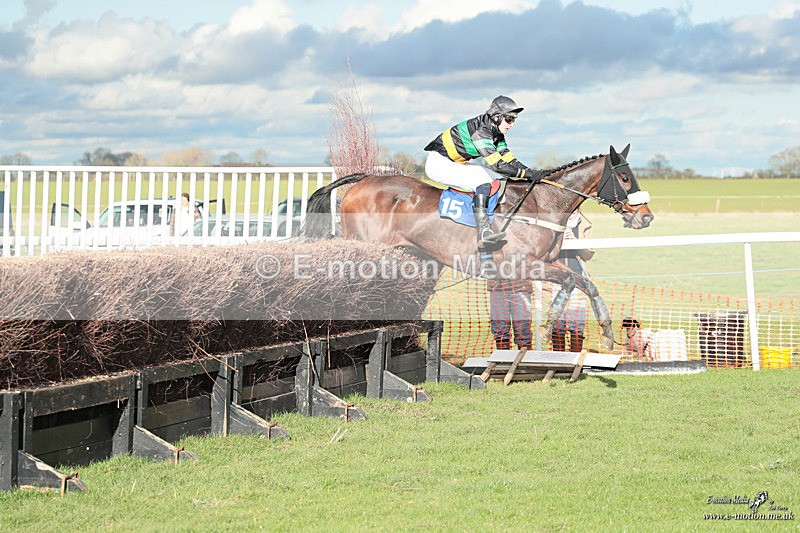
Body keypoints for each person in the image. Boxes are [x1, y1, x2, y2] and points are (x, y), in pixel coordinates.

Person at [423, 95, 544, 251]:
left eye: (514, 119)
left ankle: (500, 219)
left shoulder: (497, 133)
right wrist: (526, 175)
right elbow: (499, 165)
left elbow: (510, 161)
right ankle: (483, 231)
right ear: (496, 117)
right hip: (438, 164)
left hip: (454, 161)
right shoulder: (482, 132)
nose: (512, 124)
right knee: (482, 180)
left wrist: (532, 172)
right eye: (509, 119)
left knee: (500, 180)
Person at [551, 211, 590, 352]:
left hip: (578, 280)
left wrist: (576, 243)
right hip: (556, 280)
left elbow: (589, 254)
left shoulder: (584, 224)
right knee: (556, 322)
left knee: (577, 323)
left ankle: (575, 357)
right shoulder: (552, 220)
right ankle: (558, 359)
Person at [487, 278, 532, 351]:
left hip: (521, 285)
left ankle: (525, 359)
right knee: (500, 329)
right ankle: (503, 360)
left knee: (523, 329)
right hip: (497, 286)